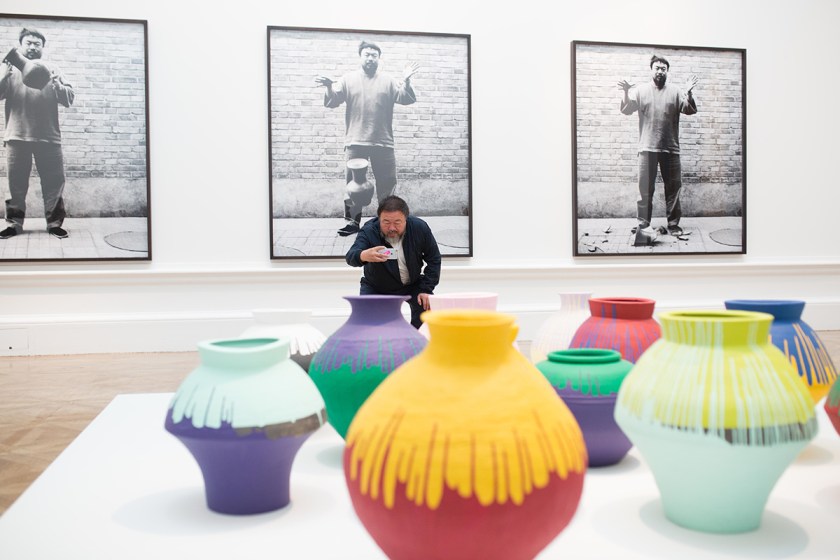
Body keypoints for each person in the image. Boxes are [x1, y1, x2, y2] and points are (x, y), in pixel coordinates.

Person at [316, 40, 419, 237]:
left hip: (384, 143)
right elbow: (332, 101)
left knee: (387, 185)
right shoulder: (348, 79)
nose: (370, 58)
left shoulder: (388, 80)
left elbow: (406, 98)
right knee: (353, 188)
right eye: (367, 54)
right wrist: (329, 87)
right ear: (360, 56)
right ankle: (352, 224)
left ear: (379, 58)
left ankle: (387, 226)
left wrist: (406, 81)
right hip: (356, 142)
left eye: (374, 55)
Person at [0, 27, 75, 240]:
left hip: (49, 137)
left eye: (37, 44)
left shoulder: (53, 68)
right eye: (28, 43)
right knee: (16, 184)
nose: (32, 47)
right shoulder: (10, 69)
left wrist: (57, 84)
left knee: (53, 183)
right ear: (21, 46)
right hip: (16, 136)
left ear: (43, 47)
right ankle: (13, 224)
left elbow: (69, 99)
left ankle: (54, 225)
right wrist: (3, 76)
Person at [618, 54, 698, 237]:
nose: (660, 71)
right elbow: (627, 110)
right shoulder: (640, 90)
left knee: (673, 189)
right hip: (647, 148)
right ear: (651, 70)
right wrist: (625, 93)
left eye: (664, 68)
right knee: (644, 189)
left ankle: (674, 224)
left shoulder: (676, 91)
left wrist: (690, 93)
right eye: (657, 68)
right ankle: (643, 224)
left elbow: (689, 109)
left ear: (667, 71)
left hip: (671, 148)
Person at [345, 195, 441, 329]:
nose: (391, 228)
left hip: (413, 285)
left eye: (397, 222)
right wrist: (363, 255)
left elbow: (434, 259)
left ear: (406, 219)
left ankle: (415, 346)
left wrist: (426, 289)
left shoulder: (419, 228)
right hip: (376, 286)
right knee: (367, 324)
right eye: (386, 222)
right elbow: (350, 256)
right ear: (379, 219)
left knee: (426, 313)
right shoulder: (369, 230)